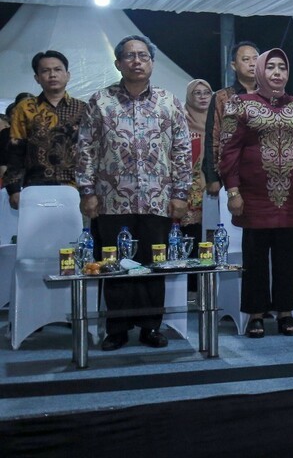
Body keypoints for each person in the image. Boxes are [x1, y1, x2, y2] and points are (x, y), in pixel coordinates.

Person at [77, 35, 192, 351]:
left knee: (153, 264)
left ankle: (150, 326)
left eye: (143, 55)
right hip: (112, 199)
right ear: (118, 63)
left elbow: (182, 150)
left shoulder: (169, 102)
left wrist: (181, 193)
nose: (137, 61)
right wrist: (87, 191)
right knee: (114, 263)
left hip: (158, 198)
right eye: (130, 56)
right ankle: (116, 329)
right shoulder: (100, 101)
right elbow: (85, 148)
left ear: (152, 62)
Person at [218, 49, 293, 338]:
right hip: (253, 196)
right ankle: (256, 314)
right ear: (260, 71)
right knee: (255, 257)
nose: (277, 73)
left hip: (291, 196)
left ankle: (285, 312)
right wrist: (233, 191)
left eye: (282, 68)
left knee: (289, 256)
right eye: (271, 67)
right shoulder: (240, 104)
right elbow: (228, 151)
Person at [5, 51, 87, 209]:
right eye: (45, 71)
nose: (52, 75)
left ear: (68, 75)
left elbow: (92, 151)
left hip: (76, 188)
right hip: (36, 187)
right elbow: (16, 150)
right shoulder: (25, 108)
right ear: (37, 78)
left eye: (57, 69)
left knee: (75, 226)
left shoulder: (83, 109)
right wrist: (13, 189)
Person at [203, 41, 259, 198]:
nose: (252, 64)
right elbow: (212, 137)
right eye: (246, 59)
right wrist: (212, 177)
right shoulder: (222, 97)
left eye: (256, 59)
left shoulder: (270, 95)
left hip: (264, 172)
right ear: (234, 65)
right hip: (231, 173)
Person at [179, 80, 212, 242]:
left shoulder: (219, 122)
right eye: (197, 93)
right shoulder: (181, 121)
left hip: (215, 187)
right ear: (189, 96)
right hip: (189, 189)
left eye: (207, 93)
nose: (203, 97)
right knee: (191, 237)